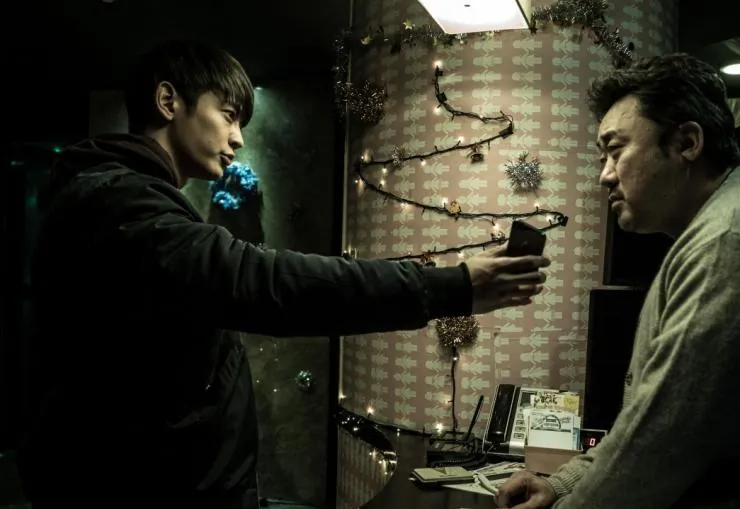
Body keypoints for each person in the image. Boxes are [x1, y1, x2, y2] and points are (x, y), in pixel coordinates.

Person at [16, 40, 550, 508]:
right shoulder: (121, 206)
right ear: (168, 101)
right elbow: (265, 282)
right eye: (228, 115)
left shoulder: (125, 199)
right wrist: (453, 285)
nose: (237, 138)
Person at [496, 54, 740, 509]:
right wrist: (562, 484)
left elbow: (657, 446)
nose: (604, 175)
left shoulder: (723, 242)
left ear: (687, 143)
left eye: (615, 150)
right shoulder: (708, 232)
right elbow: (645, 423)